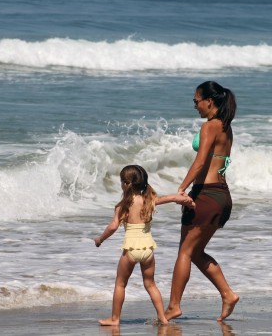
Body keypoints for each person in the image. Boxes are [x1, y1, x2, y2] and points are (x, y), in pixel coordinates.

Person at [165, 81, 239, 322]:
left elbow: (200, 162)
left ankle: (174, 306)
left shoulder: (210, 126)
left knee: (185, 252)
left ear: (210, 100)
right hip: (221, 194)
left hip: (205, 194)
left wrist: (181, 188)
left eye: (196, 101)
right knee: (195, 253)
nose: (195, 106)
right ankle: (228, 295)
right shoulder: (226, 127)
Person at [95, 164, 195, 326]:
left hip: (131, 250)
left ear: (125, 184)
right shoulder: (149, 201)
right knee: (150, 284)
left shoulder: (123, 206)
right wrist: (185, 200)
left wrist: (100, 239)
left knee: (120, 283)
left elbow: (113, 226)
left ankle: (115, 319)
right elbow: (171, 198)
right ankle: (163, 318)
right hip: (148, 249)